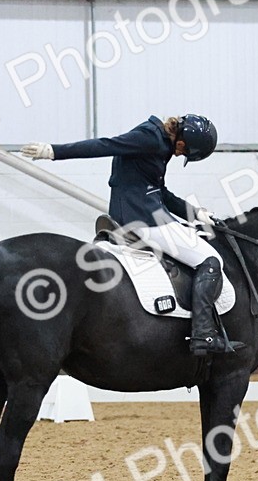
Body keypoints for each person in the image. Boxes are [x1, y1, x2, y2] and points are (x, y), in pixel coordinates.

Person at [20, 115, 244, 355]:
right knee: (210, 260)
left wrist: (196, 213)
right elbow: (104, 145)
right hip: (142, 218)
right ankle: (203, 335)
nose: (180, 155)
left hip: (146, 212)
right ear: (182, 140)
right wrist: (54, 151)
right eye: (184, 151)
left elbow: (160, 191)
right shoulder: (149, 138)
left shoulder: (161, 141)